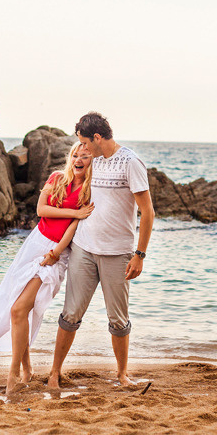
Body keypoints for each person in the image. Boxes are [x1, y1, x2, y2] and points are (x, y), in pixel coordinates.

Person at [0, 142, 94, 395]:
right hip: (34, 243)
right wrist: (74, 213)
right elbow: (41, 209)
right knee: (18, 306)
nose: (78, 159)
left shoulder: (89, 192)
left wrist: (56, 253)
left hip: (55, 252)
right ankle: (26, 368)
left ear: (93, 161)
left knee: (19, 309)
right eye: (75, 155)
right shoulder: (57, 177)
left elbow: (73, 227)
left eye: (85, 156)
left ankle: (14, 373)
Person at [48, 112, 154, 389]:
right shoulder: (94, 161)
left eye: (86, 142)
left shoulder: (130, 162)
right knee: (70, 314)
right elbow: (73, 176)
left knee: (118, 320)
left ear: (97, 137)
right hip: (83, 248)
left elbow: (147, 212)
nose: (83, 149)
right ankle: (54, 373)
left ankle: (122, 375)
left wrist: (139, 254)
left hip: (118, 253)